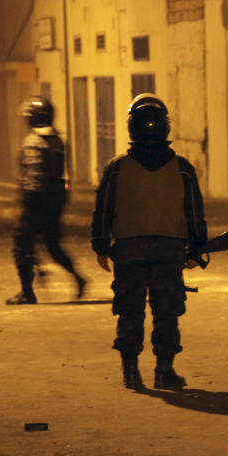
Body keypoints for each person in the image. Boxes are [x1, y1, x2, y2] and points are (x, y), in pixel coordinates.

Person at [91, 94, 207, 390]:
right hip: (169, 252)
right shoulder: (182, 168)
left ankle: (131, 372)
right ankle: (164, 371)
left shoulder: (117, 167)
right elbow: (194, 212)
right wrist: (197, 248)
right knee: (166, 312)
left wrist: (101, 245)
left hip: (129, 251)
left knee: (130, 311)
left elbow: (103, 208)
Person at [6, 97, 85, 305]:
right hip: (55, 202)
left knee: (22, 246)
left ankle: (27, 292)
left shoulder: (33, 141)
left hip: (36, 203)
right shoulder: (57, 139)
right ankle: (77, 277)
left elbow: (33, 178)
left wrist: (26, 205)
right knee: (52, 245)